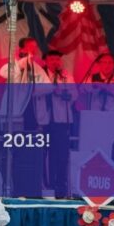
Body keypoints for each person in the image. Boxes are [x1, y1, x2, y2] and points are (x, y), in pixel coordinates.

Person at [43, 51, 78, 198]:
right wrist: (53, 90)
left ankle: (61, 187)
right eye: (52, 59)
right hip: (45, 120)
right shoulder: (42, 74)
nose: (56, 62)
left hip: (62, 119)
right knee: (46, 154)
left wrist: (66, 95)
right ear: (46, 61)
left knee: (62, 154)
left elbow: (74, 93)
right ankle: (46, 184)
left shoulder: (65, 75)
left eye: (58, 59)